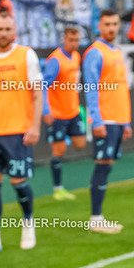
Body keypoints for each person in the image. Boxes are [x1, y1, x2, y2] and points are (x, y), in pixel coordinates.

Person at [0, 12, 42, 254]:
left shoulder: (26, 55)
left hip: (18, 133)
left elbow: (37, 94)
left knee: (19, 184)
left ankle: (28, 225)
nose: (3, 33)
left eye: (8, 29)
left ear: (14, 31)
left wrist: (35, 126)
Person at [82, 9, 132, 234]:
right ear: (99, 26)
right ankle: (96, 218)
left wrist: (126, 121)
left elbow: (122, 87)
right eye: (107, 24)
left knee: (108, 165)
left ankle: (98, 217)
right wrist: (96, 120)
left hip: (118, 119)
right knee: (102, 165)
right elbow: (91, 88)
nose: (111, 28)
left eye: (114, 24)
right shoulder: (95, 52)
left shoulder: (117, 51)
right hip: (105, 119)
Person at [42, 27, 85, 201]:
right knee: (59, 150)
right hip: (58, 114)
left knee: (80, 144)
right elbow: (43, 86)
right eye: (71, 40)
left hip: (73, 111)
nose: (74, 44)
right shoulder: (55, 60)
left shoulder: (76, 56)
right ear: (64, 40)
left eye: (77, 40)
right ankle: (58, 189)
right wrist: (46, 110)